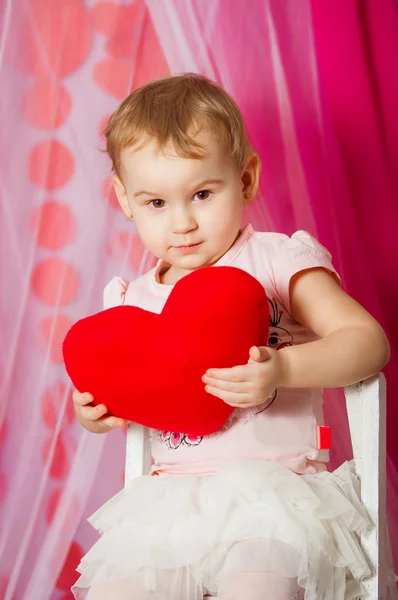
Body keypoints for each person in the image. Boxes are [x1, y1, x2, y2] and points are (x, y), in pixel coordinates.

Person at [71, 73, 390, 600]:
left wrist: (284, 368)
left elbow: (367, 342)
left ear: (245, 181)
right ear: (125, 200)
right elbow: (124, 389)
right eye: (156, 203)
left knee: (257, 584)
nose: (183, 224)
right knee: (121, 588)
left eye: (201, 194)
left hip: (275, 492)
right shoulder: (132, 302)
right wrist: (96, 411)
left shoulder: (276, 261)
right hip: (170, 498)